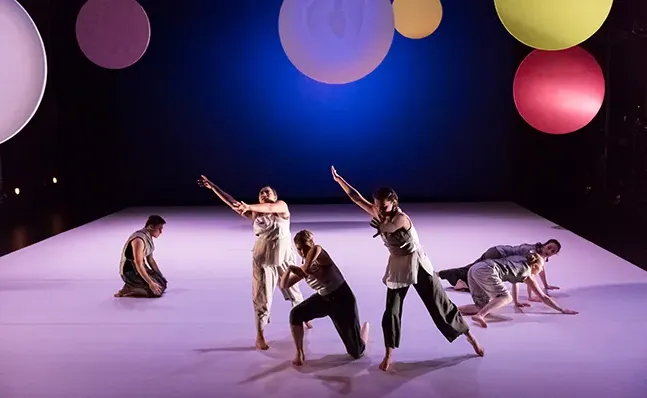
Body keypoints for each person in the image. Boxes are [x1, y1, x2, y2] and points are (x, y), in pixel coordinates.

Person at [330, 166, 484, 371]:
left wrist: (381, 225)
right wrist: (340, 180)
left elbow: (390, 227)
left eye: (384, 206)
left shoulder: (401, 218)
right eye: (377, 205)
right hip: (398, 265)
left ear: (393, 202)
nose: (380, 209)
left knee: (440, 305)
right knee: (392, 310)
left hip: (417, 263)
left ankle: (471, 338)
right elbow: (356, 197)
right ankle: (389, 354)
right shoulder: (379, 211)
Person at [198, 175, 307, 350]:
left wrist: (248, 205)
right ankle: (260, 336)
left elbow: (271, 207)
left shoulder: (282, 207)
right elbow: (231, 202)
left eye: (267, 192)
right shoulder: (255, 215)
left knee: (294, 292)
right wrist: (213, 187)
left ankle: (304, 316)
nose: (264, 194)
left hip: (284, 260)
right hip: (263, 261)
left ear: (274, 196)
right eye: (261, 193)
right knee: (262, 299)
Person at [280, 230, 370, 367]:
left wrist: (305, 268)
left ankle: (364, 332)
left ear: (311, 243)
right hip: (323, 299)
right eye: (299, 249)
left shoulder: (320, 255)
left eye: (305, 247)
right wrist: (289, 269)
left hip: (342, 298)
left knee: (356, 352)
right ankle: (299, 352)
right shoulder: (303, 267)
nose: (302, 252)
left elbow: (317, 248)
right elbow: (284, 285)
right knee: (296, 314)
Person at [458, 252, 578, 328]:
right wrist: (562, 309)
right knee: (506, 297)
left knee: (482, 305)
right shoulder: (528, 274)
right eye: (541, 268)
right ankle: (480, 316)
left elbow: (515, 283)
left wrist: (516, 302)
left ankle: (453, 310)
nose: (541, 271)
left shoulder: (519, 263)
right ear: (535, 266)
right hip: (487, 269)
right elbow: (544, 297)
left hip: (475, 268)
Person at [437, 240, 562, 300]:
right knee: (476, 272)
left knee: (472, 269)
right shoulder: (532, 252)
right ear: (544, 245)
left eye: (553, 251)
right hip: (498, 254)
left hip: (497, 252)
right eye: (549, 247)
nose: (549, 251)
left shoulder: (541, 257)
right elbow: (530, 276)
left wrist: (545, 285)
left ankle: (450, 278)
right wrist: (531, 296)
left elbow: (539, 271)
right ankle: (457, 281)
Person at [114, 215, 168, 298]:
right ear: (150, 227)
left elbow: (151, 260)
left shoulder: (148, 237)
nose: (161, 232)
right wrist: (150, 283)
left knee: (163, 283)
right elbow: (138, 263)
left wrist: (159, 275)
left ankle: (138, 285)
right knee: (155, 292)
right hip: (130, 271)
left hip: (140, 268)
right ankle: (129, 288)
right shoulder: (139, 240)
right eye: (159, 228)